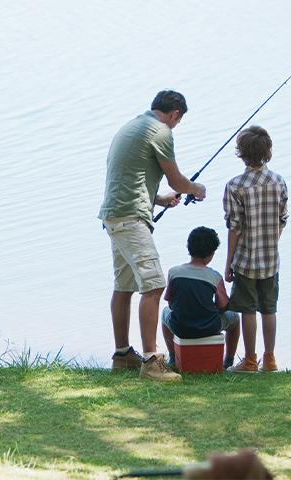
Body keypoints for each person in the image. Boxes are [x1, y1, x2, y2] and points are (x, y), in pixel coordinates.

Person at [98, 90, 206, 381]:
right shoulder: (160, 131)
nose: (176, 125)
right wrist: (196, 189)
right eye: (178, 121)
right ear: (175, 114)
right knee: (154, 284)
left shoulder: (132, 126)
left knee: (124, 286)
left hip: (115, 215)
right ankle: (151, 361)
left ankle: (122, 356)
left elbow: (130, 176)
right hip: (131, 219)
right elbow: (177, 179)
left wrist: (158, 199)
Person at [223, 126, 288, 373]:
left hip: (246, 261)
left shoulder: (235, 186)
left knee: (248, 310)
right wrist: (271, 242)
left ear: (241, 154)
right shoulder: (278, 181)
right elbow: (282, 219)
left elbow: (234, 228)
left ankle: (250, 360)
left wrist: (229, 262)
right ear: (268, 151)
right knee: (269, 308)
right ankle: (270, 359)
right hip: (271, 259)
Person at [161, 226, 240, 370]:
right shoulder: (214, 276)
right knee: (234, 318)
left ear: (189, 247)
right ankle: (228, 360)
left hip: (180, 326)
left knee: (164, 313)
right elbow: (223, 306)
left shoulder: (174, 272)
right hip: (208, 327)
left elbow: (171, 303)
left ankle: (173, 356)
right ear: (211, 253)